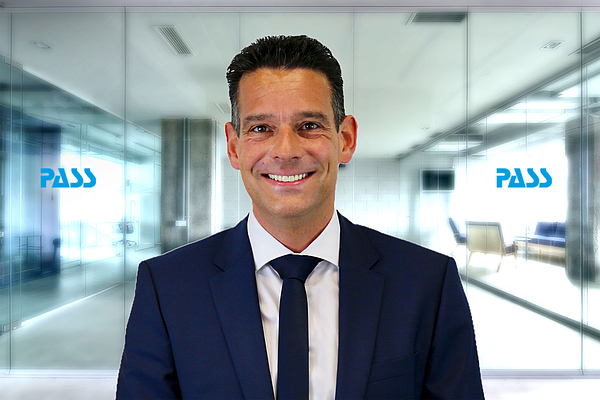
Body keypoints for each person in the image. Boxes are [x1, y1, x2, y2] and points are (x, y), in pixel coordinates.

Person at [116, 35, 485, 400]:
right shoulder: (167, 287)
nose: (285, 151)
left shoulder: (427, 282)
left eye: (309, 125)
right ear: (234, 146)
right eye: (261, 128)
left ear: (346, 139)